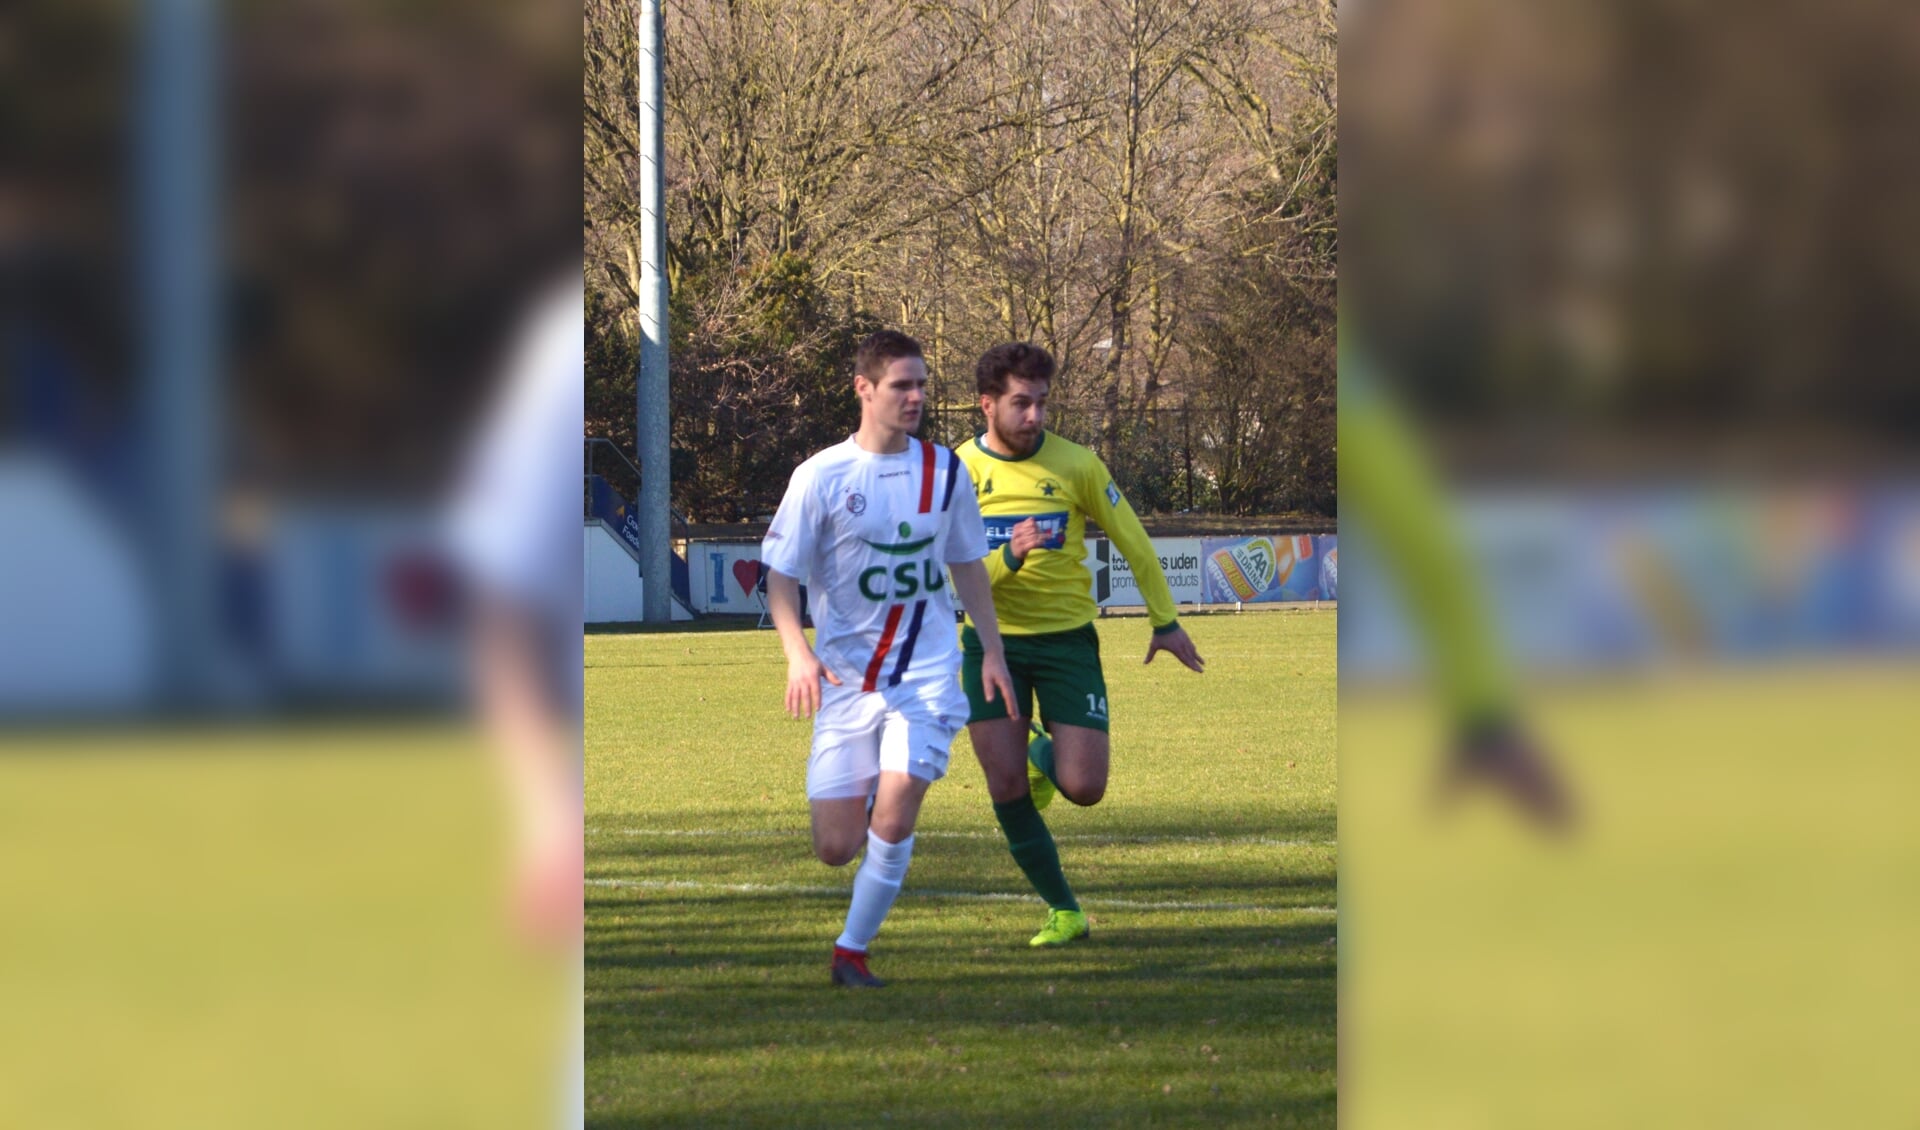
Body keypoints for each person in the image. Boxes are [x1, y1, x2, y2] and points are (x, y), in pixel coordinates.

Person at [761, 329, 1015, 988]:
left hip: (927, 675)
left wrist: (990, 649)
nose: (917, 397)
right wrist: (797, 653)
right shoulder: (819, 476)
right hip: (847, 680)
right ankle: (872, 774)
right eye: (903, 385)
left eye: (922, 384)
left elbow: (966, 564)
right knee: (834, 846)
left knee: (896, 815)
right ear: (864, 390)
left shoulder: (944, 470)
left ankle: (852, 951)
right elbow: (780, 576)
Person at [956, 342, 1205, 948]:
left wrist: (1164, 621)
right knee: (1004, 788)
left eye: (1042, 403)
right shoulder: (956, 472)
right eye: (1021, 403)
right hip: (988, 645)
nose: (1035, 416)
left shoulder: (1078, 465)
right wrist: (1008, 557)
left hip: (1067, 642)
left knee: (1085, 789)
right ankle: (1064, 910)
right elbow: (950, 575)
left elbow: (1133, 540)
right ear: (987, 404)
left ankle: (1043, 754)